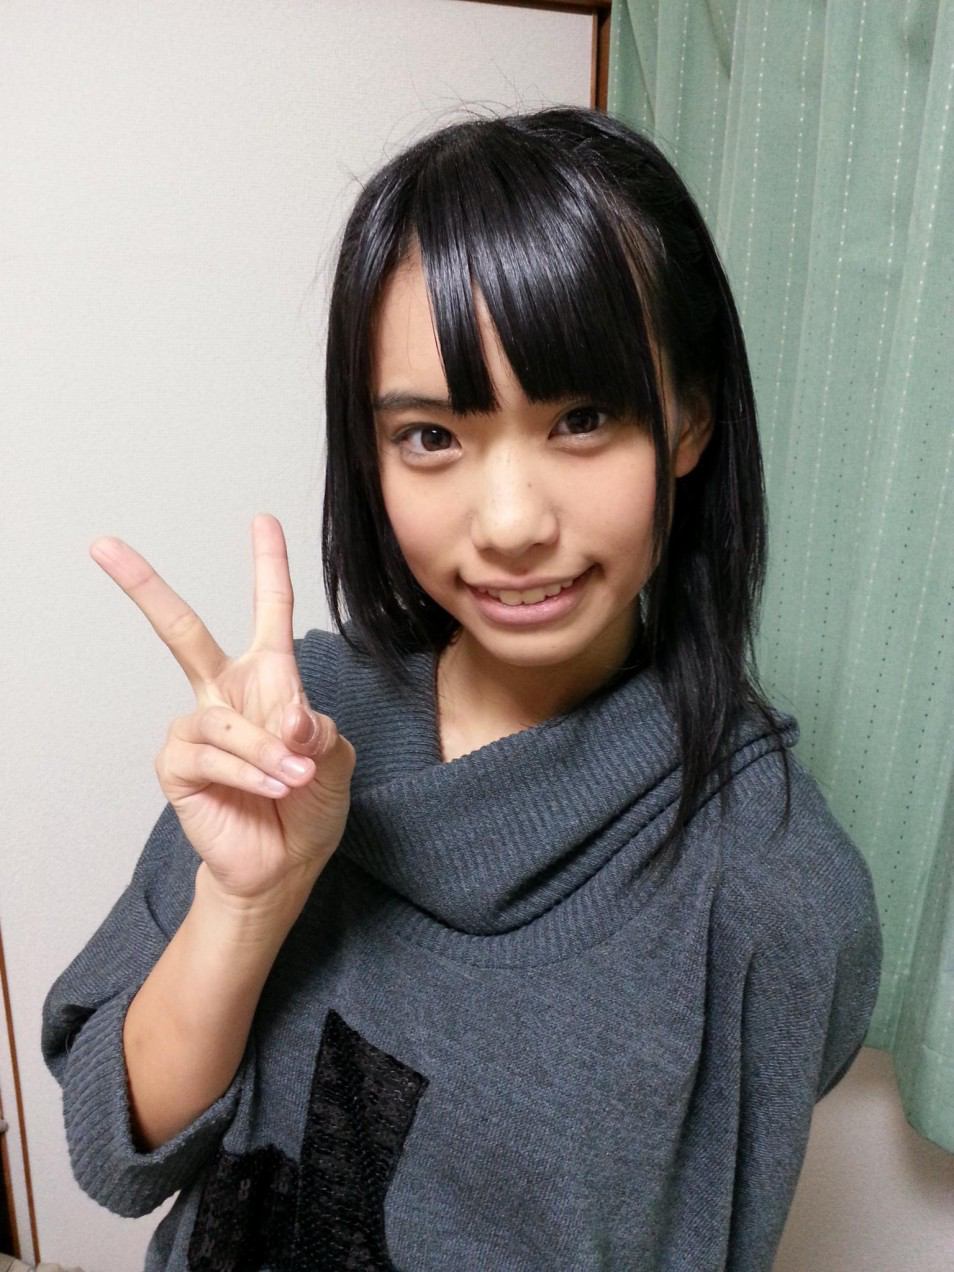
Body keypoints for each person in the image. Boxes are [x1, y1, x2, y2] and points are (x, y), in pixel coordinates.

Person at [41, 106, 882, 1271]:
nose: (511, 524)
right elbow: (114, 1156)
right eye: (433, 437)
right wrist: (244, 905)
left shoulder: (772, 890)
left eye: (582, 418)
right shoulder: (292, 731)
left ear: (688, 419)